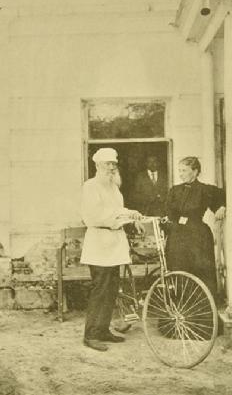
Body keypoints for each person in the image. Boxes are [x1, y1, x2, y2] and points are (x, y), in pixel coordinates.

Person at [80, 147, 143, 352]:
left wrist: (131, 213)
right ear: (97, 165)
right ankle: (90, 335)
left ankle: (103, 329)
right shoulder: (90, 186)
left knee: (111, 290)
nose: (111, 167)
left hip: (114, 245)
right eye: (107, 164)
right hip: (99, 243)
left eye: (113, 164)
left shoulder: (113, 188)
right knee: (100, 290)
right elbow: (92, 216)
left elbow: (118, 209)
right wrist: (120, 217)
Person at [165, 156, 226, 299]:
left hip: (198, 236)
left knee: (200, 270)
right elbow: (169, 212)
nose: (180, 174)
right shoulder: (174, 190)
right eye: (179, 170)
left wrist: (222, 206)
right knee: (179, 270)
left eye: (184, 170)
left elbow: (223, 196)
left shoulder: (205, 190)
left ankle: (203, 309)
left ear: (195, 171)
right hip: (177, 236)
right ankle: (182, 309)